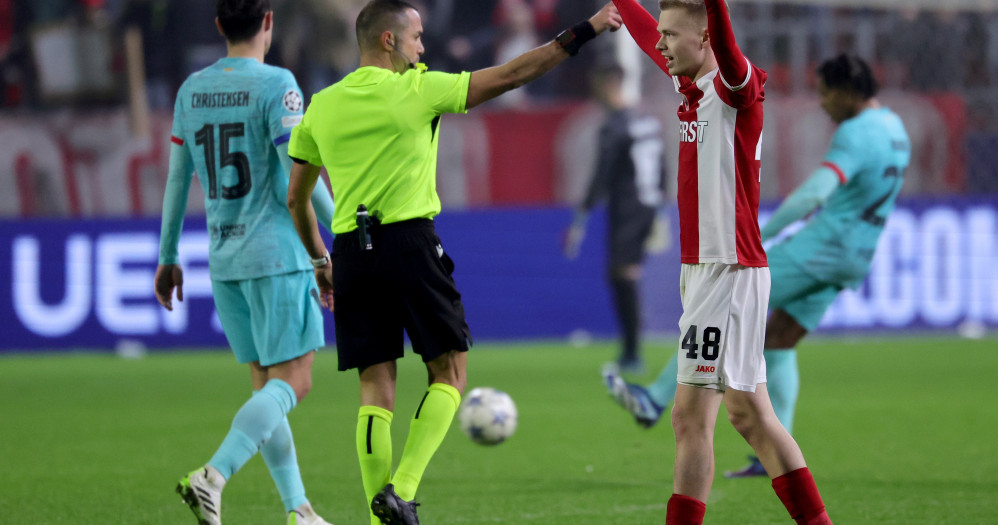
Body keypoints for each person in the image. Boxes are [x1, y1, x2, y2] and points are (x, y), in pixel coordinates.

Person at [284, 2, 623, 524]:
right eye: (416, 37)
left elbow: (296, 198)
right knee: (450, 372)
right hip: (410, 244)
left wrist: (319, 260)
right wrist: (587, 30)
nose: (424, 47)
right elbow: (514, 73)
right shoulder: (419, 90)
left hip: (351, 250)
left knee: (375, 386)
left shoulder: (321, 106)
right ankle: (403, 489)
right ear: (389, 41)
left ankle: (380, 519)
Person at [605, 54, 911, 482]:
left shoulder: (855, 132)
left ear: (845, 91)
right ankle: (763, 459)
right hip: (856, 256)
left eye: (825, 92)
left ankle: (654, 399)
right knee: (780, 339)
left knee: (720, 306)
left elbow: (814, 195)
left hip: (820, 249)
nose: (822, 103)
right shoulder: (895, 128)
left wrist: (761, 235)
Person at [608, 1, 832, 523]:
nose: (660, 44)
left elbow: (728, 52)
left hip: (730, 269)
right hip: (705, 270)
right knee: (730, 415)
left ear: (705, 39)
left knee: (712, 416)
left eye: (672, 35)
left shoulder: (736, 87)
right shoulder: (688, 85)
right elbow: (645, 32)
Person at [154, 1, 337, 524]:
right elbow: (297, 178)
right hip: (278, 255)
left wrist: (167, 255)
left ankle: (298, 510)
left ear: (218, 27)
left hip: (224, 257)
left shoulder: (192, 90)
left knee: (266, 387)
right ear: (269, 22)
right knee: (295, 381)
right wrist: (338, 236)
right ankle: (211, 476)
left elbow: (176, 179)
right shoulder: (277, 84)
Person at [564, 64, 668, 375]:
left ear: (610, 84)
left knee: (623, 275)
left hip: (627, 208)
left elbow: (602, 175)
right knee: (623, 274)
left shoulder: (614, 127)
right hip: (648, 206)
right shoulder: (646, 122)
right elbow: (663, 166)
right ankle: (630, 349)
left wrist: (580, 219)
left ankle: (633, 353)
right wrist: (660, 207)